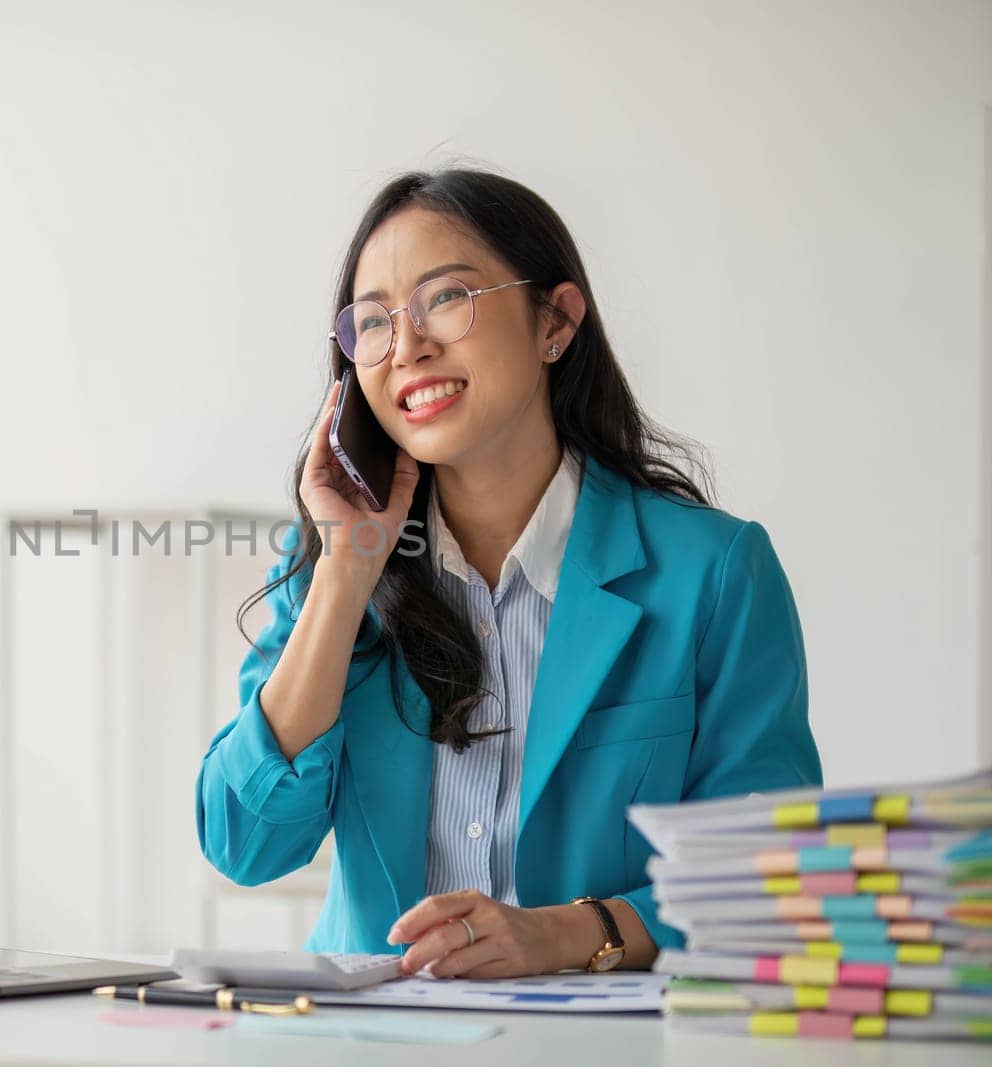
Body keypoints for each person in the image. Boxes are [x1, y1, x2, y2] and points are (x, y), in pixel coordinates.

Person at [195, 167, 821, 978]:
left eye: (446, 298)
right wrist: (345, 577)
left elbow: (767, 878)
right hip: (369, 1040)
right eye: (374, 321)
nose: (408, 345)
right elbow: (245, 844)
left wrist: (564, 933)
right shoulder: (329, 566)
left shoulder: (712, 572)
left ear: (556, 320)